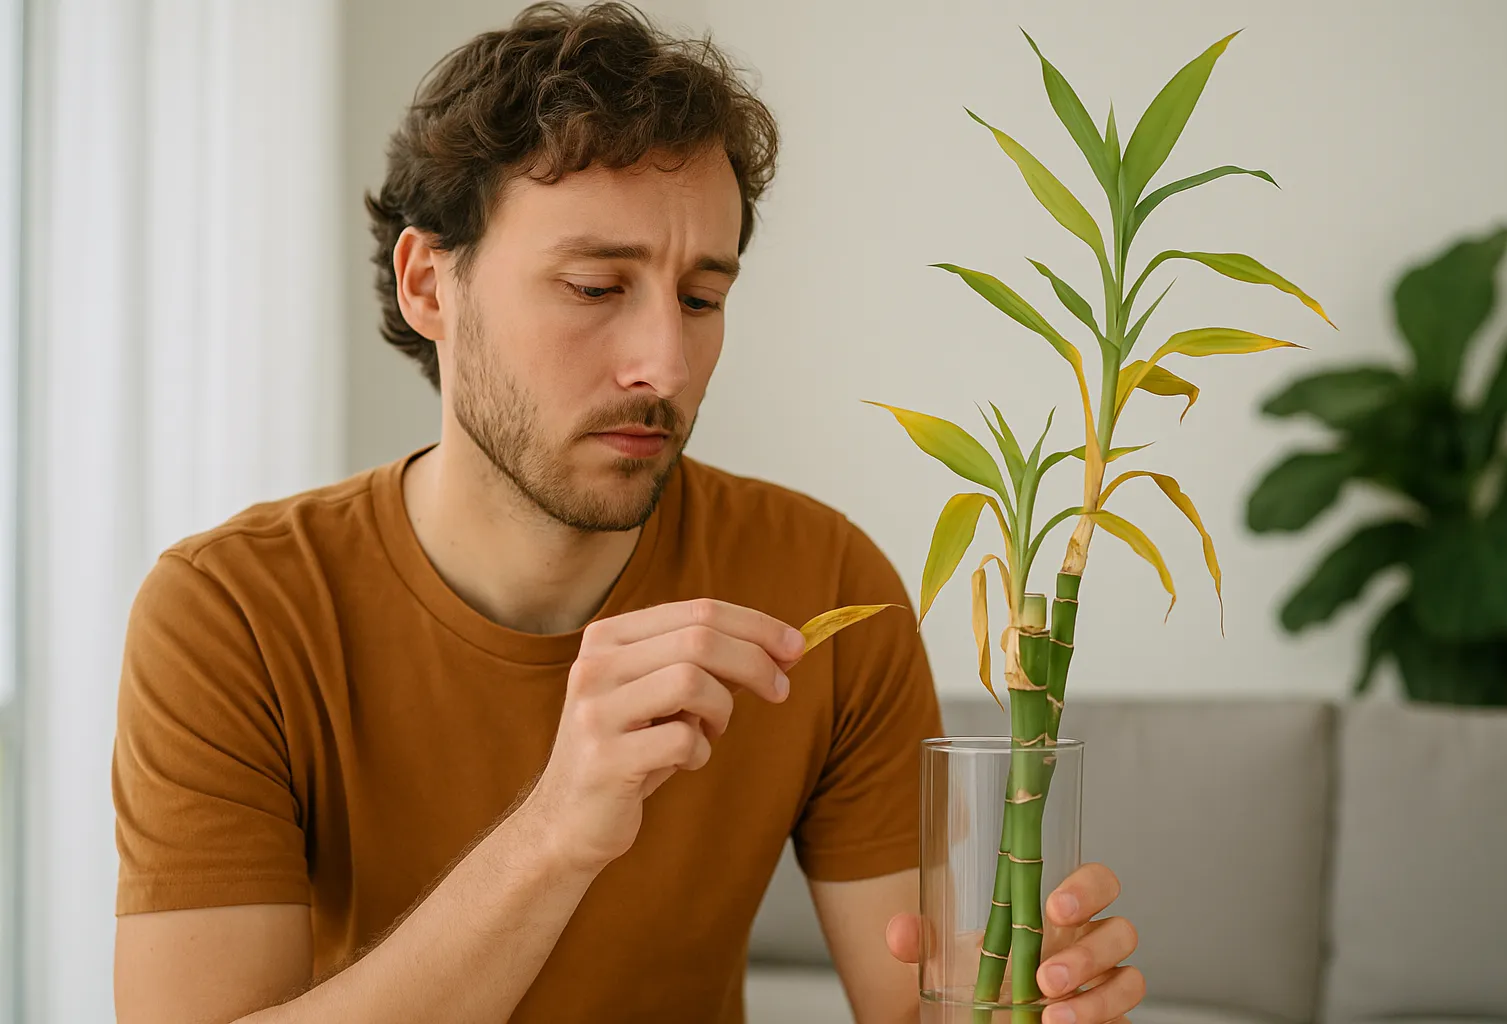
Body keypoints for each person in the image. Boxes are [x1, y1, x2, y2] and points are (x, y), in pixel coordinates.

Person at [111, 4, 1144, 1022]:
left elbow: (925, 1001)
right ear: (430, 284)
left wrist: (1035, 1003)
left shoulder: (821, 586)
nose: (666, 363)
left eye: (702, 298)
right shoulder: (232, 612)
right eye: (595, 285)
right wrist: (557, 829)